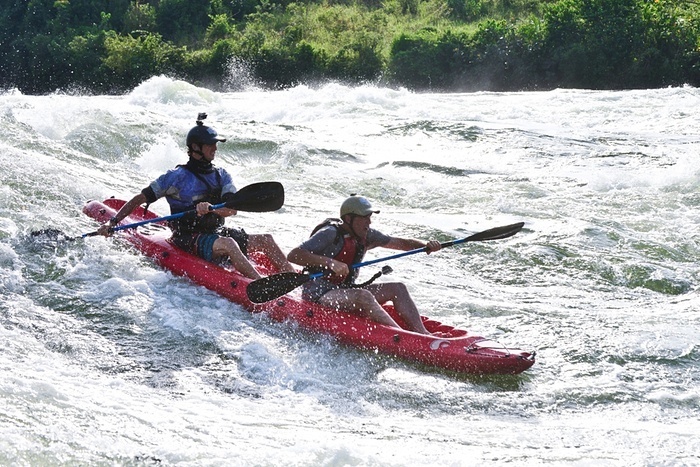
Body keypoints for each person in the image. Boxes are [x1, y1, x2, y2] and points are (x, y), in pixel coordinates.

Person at [97, 114, 294, 280]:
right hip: (187, 238)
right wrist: (113, 222)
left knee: (266, 240)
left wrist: (212, 208)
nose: (215, 148)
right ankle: (261, 286)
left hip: (216, 232)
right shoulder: (175, 178)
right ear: (195, 148)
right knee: (230, 244)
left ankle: (293, 279)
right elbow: (140, 199)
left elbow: (231, 209)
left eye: (215, 144)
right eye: (210, 144)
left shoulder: (222, 175)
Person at [287, 195, 442, 335]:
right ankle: (403, 337)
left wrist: (426, 247)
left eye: (369, 218)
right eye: (364, 218)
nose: (369, 222)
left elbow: (400, 243)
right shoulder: (329, 233)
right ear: (348, 219)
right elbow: (294, 254)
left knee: (398, 288)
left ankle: (424, 334)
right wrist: (330, 263)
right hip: (319, 294)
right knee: (363, 296)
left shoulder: (367, 235)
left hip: (345, 290)